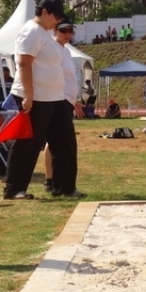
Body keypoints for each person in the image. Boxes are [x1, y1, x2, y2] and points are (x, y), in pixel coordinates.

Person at [3, 0, 74, 200]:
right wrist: (29, 95)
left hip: (54, 98)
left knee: (65, 142)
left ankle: (64, 187)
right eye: (56, 16)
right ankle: (14, 189)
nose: (58, 21)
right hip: (36, 98)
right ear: (44, 12)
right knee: (28, 144)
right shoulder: (31, 31)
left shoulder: (45, 33)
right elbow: (24, 64)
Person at [43, 16, 85, 197]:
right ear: (55, 30)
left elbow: (66, 79)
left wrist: (74, 101)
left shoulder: (65, 50)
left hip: (65, 100)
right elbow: (53, 77)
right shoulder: (53, 49)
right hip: (57, 100)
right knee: (59, 144)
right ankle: (55, 183)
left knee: (58, 144)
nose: (68, 34)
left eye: (71, 30)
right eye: (64, 30)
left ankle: (55, 183)